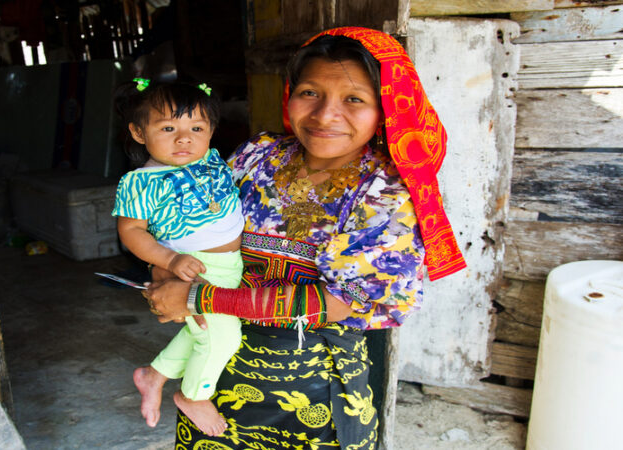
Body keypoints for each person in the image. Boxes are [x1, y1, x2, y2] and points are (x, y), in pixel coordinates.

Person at [143, 27, 467, 449]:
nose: (324, 115)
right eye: (310, 92)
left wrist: (196, 298)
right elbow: (180, 224)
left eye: (354, 99)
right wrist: (164, 272)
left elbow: (339, 301)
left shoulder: (387, 194)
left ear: (385, 109)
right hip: (216, 372)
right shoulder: (257, 157)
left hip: (315, 389)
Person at [111, 80, 245, 437]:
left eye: (196, 128)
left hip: (232, 267)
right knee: (222, 337)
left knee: (201, 331)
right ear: (139, 133)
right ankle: (193, 396)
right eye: (168, 128)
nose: (184, 138)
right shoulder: (140, 182)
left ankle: (152, 376)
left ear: (211, 132)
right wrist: (169, 261)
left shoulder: (212, 161)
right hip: (193, 267)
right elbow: (131, 233)